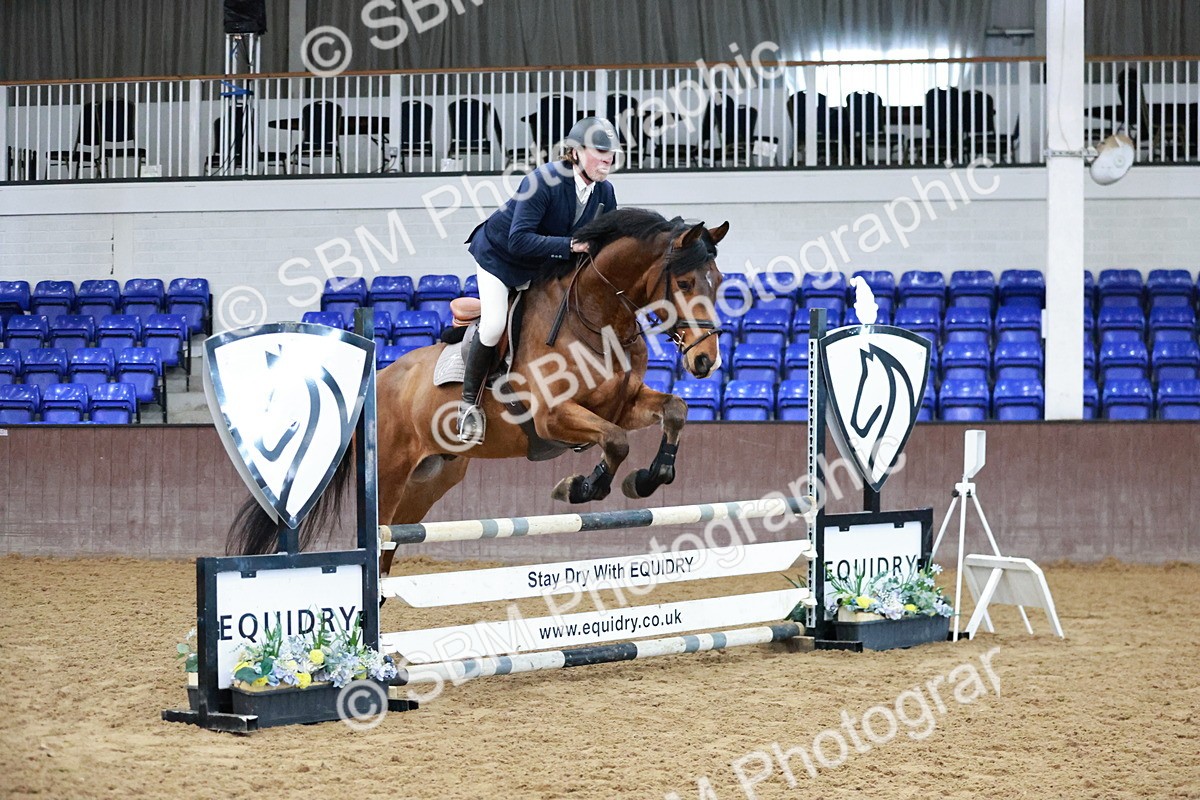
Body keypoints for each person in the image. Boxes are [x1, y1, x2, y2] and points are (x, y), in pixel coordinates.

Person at [457, 115, 620, 444]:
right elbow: (518, 239)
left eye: (611, 153)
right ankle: (468, 406)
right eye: (599, 151)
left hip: (544, 265)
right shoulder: (543, 180)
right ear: (574, 153)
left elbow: (608, 241)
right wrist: (569, 245)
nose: (607, 158)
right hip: (501, 258)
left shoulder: (605, 192)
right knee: (492, 324)